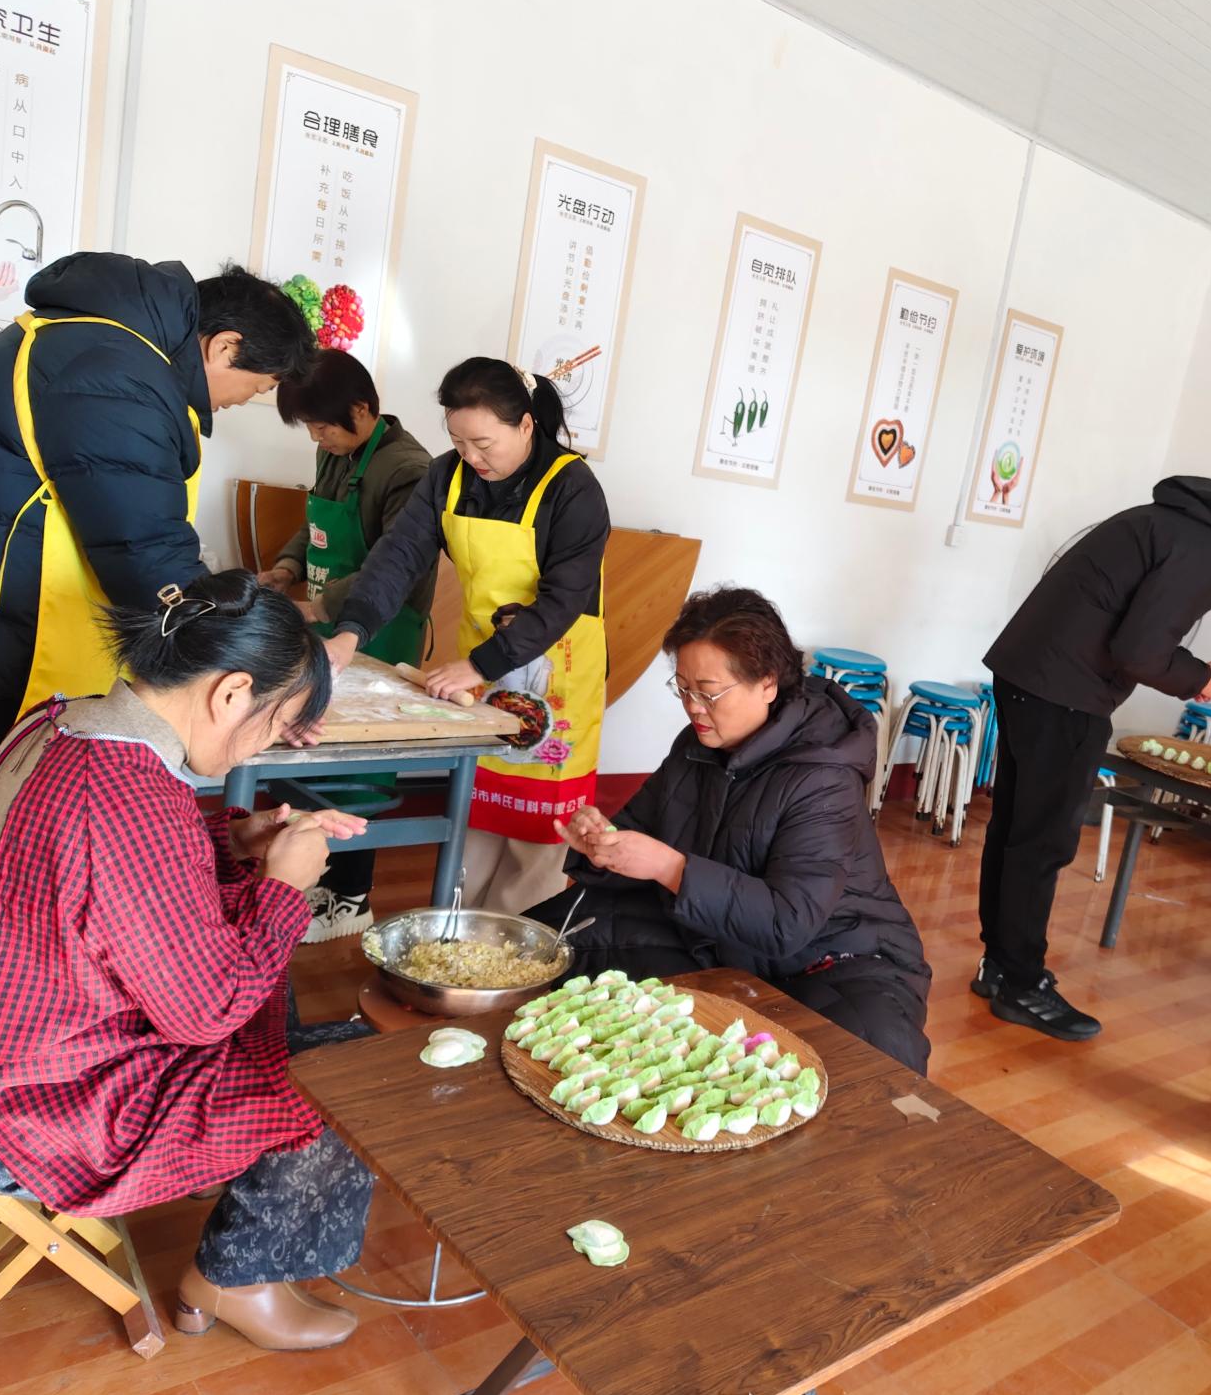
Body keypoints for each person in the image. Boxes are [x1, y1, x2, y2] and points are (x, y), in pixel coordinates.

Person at [0, 570, 376, 1351]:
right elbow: (207, 1012)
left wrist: (235, 841)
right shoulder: (128, 798)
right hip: (27, 1114)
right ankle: (236, 1280)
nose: (267, 743)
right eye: (276, 723)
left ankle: (236, 1196)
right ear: (231, 693)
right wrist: (284, 888)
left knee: (273, 1003)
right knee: (348, 1091)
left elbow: (116, 887)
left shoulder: (62, 723)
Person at [0, 254, 316, 826]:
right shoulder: (115, 370)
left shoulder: (93, 339)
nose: (242, 400)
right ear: (225, 347)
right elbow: (144, 547)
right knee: (4, 823)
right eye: (259, 385)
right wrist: (261, 666)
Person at [976, 479, 1211, 1040]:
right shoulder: (1203, 550)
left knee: (1016, 829)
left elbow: (1133, 633)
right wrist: (1203, 677)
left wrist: (1190, 672)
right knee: (1041, 842)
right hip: (1065, 694)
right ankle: (1020, 984)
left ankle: (1000, 967)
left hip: (1031, 676)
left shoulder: (1179, 524)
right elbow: (1139, 651)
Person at [540, 587, 932, 1074]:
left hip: (836, 955)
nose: (693, 707)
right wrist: (603, 841)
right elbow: (639, 829)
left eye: (708, 692)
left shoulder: (823, 777)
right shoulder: (697, 744)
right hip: (720, 936)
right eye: (683, 688)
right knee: (549, 950)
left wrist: (670, 867)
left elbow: (787, 922)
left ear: (767, 683)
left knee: (865, 1069)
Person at [323, 358, 609, 915]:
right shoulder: (446, 476)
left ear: (525, 425)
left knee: (537, 836)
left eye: (483, 443)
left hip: (557, 668)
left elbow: (564, 600)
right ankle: (457, 932)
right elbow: (398, 557)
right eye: (458, 441)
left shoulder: (573, 487)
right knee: (476, 819)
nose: (471, 457)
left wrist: (480, 665)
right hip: (481, 664)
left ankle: (517, 944)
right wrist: (350, 632)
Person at [260, 348, 435, 942]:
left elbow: (398, 564)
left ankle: (352, 897)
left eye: (323, 426)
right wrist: (287, 568)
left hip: (382, 630)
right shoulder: (336, 451)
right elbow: (312, 525)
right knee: (309, 752)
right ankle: (315, 879)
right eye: (310, 429)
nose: (318, 438)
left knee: (359, 768)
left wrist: (322, 606)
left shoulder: (408, 468)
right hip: (322, 624)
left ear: (361, 409)